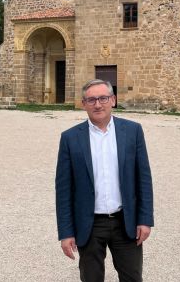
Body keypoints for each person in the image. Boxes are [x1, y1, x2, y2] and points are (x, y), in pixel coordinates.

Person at [55, 79, 154, 282]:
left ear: (113, 100)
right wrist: (66, 232)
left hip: (125, 221)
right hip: (89, 225)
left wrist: (145, 219)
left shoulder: (133, 131)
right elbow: (63, 190)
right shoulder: (70, 138)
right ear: (83, 104)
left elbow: (143, 178)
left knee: (132, 277)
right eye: (91, 100)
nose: (97, 104)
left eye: (103, 98)